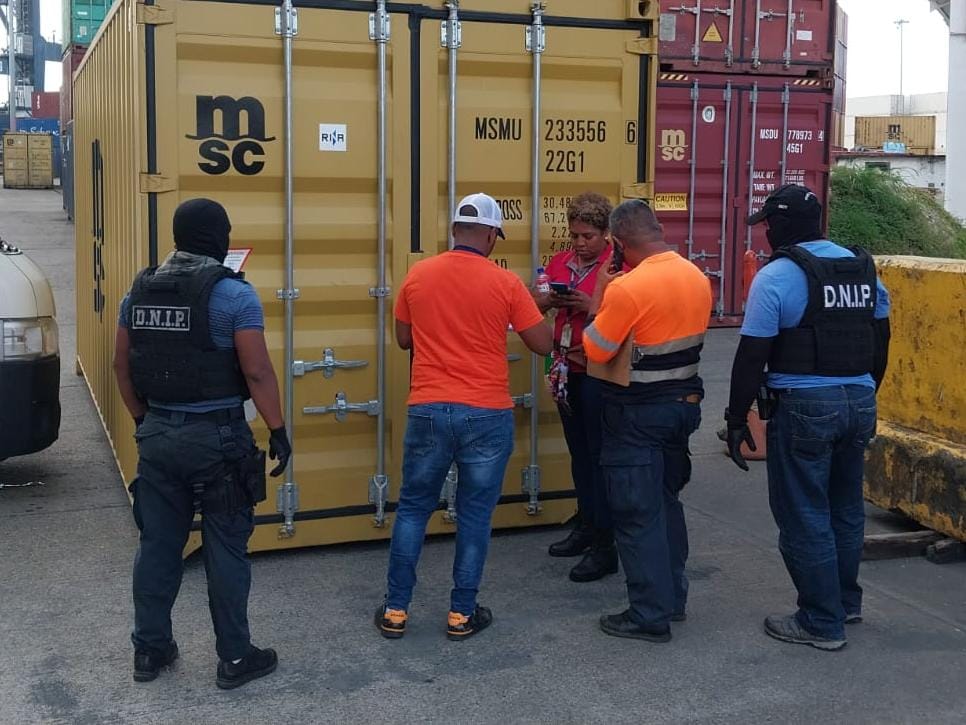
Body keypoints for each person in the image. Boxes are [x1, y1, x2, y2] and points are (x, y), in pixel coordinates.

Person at [113, 198, 292, 688]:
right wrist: (277, 429)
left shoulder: (139, 291)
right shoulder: (234, 296)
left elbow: (121, 366)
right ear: (217, 237)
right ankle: (234, 658)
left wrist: (144, 420)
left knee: (158, 545)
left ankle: (150, 651)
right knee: (226, 549)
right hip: (218, 439)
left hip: (158, 436)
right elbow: (257, 371)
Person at [376, 193, 553, 641]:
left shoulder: (418, 275)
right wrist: (539, 307)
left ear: (455, 230)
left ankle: (396, 610)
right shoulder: (506, 283)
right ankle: (461, 614)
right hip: (486, 413)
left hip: (429, 408)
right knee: (474, 515)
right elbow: (542, 345)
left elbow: (403, 339)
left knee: (413, 509)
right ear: (492, 235)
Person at [724, 184, 891, 651]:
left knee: (804, 513)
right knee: (845, 508)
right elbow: (880, 344)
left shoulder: (777, 276)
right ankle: (844, 603)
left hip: (805, 406)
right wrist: (861, 395)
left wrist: (736, 419)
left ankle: (820, 621)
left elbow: (751, 356)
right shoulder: (863, 271)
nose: (764, 234)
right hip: (859, 400)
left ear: (781, 226)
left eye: (767, 225)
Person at [583, 199, 712, 642]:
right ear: (656, 231)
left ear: (619, 243)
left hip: (637, 414)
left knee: (637, 512)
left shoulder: (627, 288)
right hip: (683, 406)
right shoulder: (695, 275)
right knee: (666, 503)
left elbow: (596, 348)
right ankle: (672, 599)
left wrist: (601, 295)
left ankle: (648, 614)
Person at [535, 192, 618, 582]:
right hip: (565, 367)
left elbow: (627, 315)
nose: (580, 243)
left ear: (606, 234)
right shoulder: (561, 262)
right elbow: (534, 305)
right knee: (579, 452)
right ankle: (585, 524)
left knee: (600, 456)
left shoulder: (615, 267)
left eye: (588, 236)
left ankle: (605, 543)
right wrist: (549, 299)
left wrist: (590, 305)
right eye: (575, 236)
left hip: (598, 370)